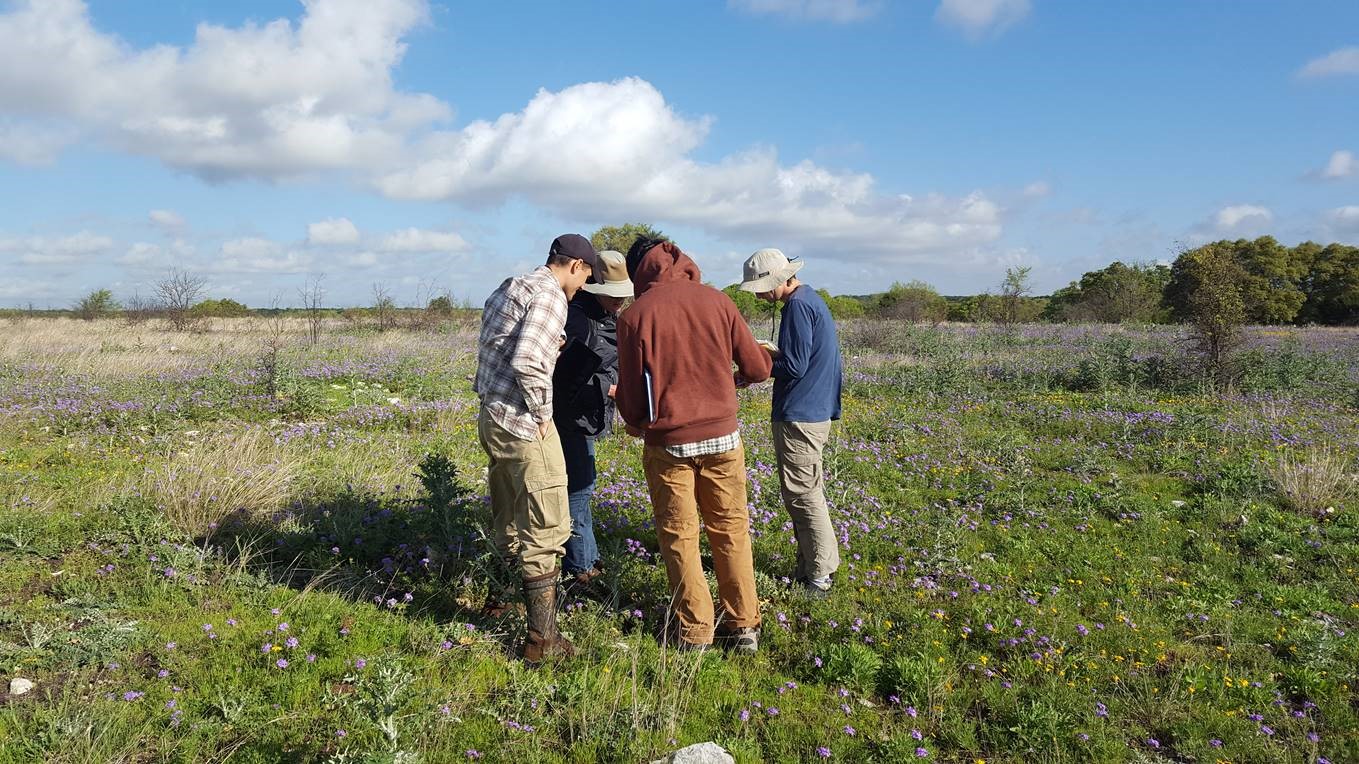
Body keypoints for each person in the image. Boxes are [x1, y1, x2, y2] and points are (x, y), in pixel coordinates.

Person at [615, 237, 772, 654]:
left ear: (638, 272)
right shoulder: (719, 302)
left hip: (668, 445)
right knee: (731, 529)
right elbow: (756, 368)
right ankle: (744, 627)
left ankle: (695, 632)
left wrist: (635, 421)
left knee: (680, 537)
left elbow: (632, 400)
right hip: (723, 437)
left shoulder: (634, 317)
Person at [473, 233, 597, 663]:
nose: (583, 286)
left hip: (493, 416)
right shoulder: (550, 296)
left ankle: (497, 601)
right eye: (586, 276)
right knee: (546, 525)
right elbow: (527, 360)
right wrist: (544, 414)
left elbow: (502, 348)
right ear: (576, 265)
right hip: (525, 423)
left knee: (508, 515)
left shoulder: (512, 286)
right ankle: (541, 641)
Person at [739, 248, 843, 598]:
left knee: (803, 495)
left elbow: (795, 367)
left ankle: (820, 576)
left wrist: (758, 364)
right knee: (805, 492)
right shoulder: (809, 299)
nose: (760, 295)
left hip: (801, 415)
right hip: (813, 411)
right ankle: (811, 567)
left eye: (761, 287)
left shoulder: (797, 307)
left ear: (779, 281)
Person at [552, 250, 631, 588]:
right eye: (612, 295)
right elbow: (568, 373)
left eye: (623, 293)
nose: (620, 301)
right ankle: (579, 566)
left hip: (588, 414)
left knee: (582, 484)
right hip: (572, 415)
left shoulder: (603, 316)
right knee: (580, 488)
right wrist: (611, 388)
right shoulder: (576, 318)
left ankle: (586, 557)